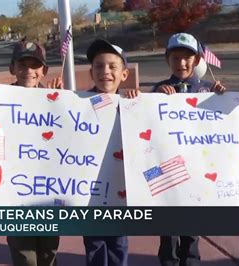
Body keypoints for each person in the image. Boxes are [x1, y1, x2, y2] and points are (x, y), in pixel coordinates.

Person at [0, 41, 62, 266]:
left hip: (47, 188)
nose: (28, 71)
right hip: (14, 190)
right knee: (24, 253)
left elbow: (70, 135)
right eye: (22, 65)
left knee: (49, 249)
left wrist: (62, 102)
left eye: (35, 65)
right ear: (12, 68)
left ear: (44, 71)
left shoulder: (56, 98)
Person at [153, 32, 225, 266]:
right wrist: (155, 98)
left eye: (187, 58)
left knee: (192, 231)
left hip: (197, 170)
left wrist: (222, 98)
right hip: (168, 171)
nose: (182, 63)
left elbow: (222, 125)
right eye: (175, 58)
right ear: (168, 60)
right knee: (169, 232)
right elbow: (145, 123)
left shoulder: (208, 91)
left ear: (196, 60)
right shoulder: (159, 89)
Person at [82, 39, 138, 266]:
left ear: (124, 74)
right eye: (99, 66)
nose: (105, 71)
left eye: (112, 66)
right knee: (94, 245)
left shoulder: (133, 103)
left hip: (119, 189)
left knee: (118, 244)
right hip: (88, 191)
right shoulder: (77, 104)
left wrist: (136, 103)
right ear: (91, 72)